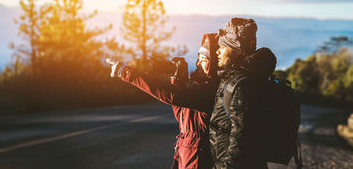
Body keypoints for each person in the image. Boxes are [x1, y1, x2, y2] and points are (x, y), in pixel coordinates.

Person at [110, 33, 220, 169]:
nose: (197, 63)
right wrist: (177, 78)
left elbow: (173, 96)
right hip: (187, 152)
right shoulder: (199, 87)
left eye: (203, 59)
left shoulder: (210, 89)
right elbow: (179, 110)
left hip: (198, 157)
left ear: (214, 63)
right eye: (198, 58)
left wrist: (128, 73)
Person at [208, 17, 276, 169]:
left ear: (234, 49)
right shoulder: (238, 78)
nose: (217, 51)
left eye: (223, 46)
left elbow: (241, 140)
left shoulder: (242, 85)